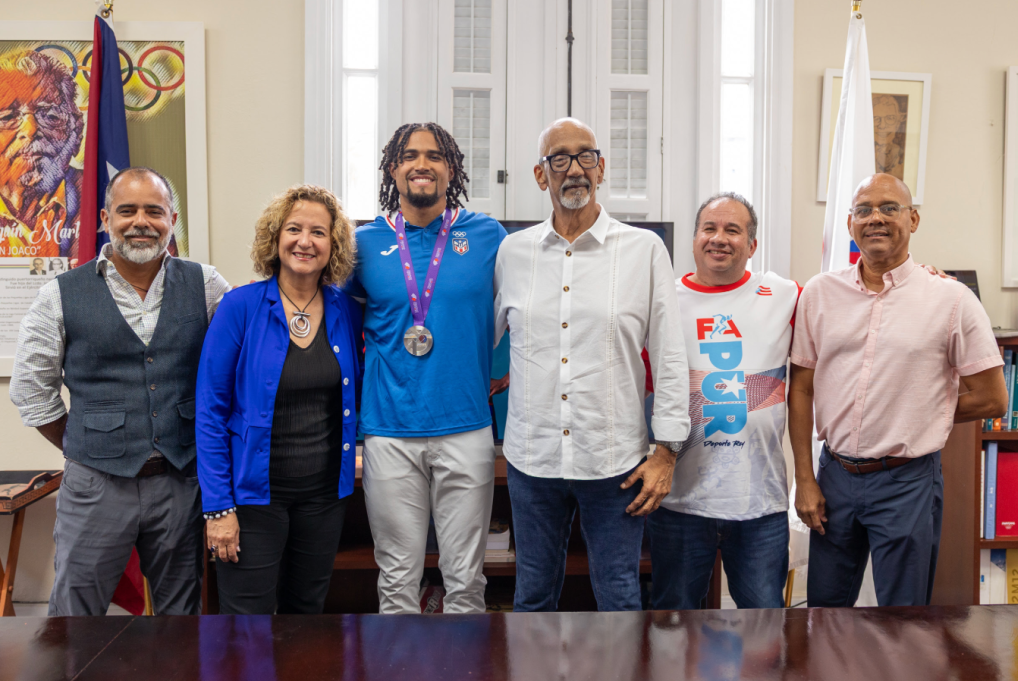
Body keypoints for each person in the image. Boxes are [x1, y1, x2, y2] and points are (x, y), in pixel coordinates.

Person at [9, 166, 230, 615]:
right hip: (96, 485)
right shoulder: (59, 294)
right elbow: (31, 388)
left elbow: (239, 366)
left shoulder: (206, 284)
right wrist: (84, 441)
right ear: (105, 219)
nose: (141, 222)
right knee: (74, 618)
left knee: (182, 618)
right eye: (127, 211)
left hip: (181, 482)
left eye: (154, 211)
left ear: (172, 220)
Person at [493, 117, 689, 612]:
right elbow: (479, 337)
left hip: (614, 461)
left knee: (619, 597)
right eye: (560, 158)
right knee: (532, 596)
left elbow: (669, 355)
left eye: (586, 156)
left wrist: (666, 452)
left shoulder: (644, 250)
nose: (575, 168)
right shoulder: (512, 252)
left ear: (602, 168)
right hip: (532, 458)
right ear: (541, 175)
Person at [790, 173, 1008, 607]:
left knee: (903, 621)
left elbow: (993, 398)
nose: (876, 218)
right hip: (834, 477)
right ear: (850, 223)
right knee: (824, 614)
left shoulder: (951, 299)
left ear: (913, 219)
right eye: (863, 210)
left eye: (889, 208)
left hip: (907, 482)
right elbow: (800, 389)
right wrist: (804, 479)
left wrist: (919, 409)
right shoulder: (819, 293)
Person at [343, 123, 508, 614]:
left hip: (467, 428)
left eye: (435, 156)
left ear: (451, 168)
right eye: (410, 155)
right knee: (397, 580)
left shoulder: (487, 236)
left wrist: (505, 376)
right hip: (389, 431)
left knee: (466, 581)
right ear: (393, 170)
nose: (422, 164)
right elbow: (339, 327)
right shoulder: (362, 243)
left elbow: (524, 315)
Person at [196, 185, 362, 615]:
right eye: (294, 229)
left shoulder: (346, 310)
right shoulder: (240, 306)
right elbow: (210, 413)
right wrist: (218, 508)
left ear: (333, 245)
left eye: (318, 232)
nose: (305, 241)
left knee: (307, 615)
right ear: (275, 237)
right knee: (247, 621)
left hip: (324, 497)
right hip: (252, 498)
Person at [647, 192, 798, 610]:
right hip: (678, 501)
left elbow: (846, 302)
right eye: (709, 228)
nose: (719, 238)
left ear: (752, 245)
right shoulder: (662, 301)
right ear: (694, 239)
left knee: (765, 628)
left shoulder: (784, 294)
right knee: (671, 624)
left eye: (733, 230)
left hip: (759, 504)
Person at [0, 50, 82, 259]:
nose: (30, 130)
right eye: (7, 117)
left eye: (51, 116)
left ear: (76, 132)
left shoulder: (105, 199)